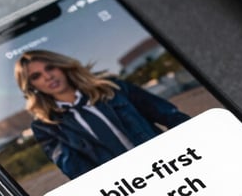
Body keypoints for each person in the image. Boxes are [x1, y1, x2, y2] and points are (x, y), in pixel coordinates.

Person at [15, 50, 190, 179]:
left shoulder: (112, 87)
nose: (48, 77)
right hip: (128, 186)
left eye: (50, 67)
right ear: (31, 86)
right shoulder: (45, 126)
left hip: (169, 164)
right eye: (36, 76)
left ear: (62, 67)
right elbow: (78, 172)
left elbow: (170, 115)